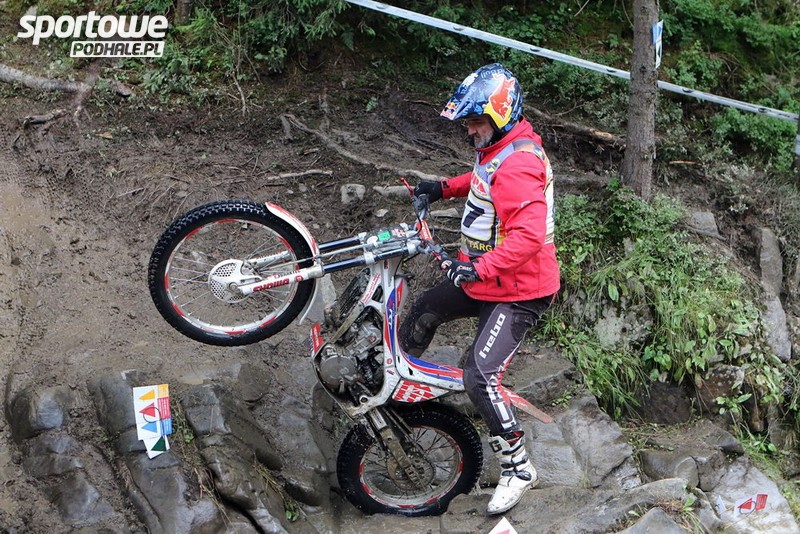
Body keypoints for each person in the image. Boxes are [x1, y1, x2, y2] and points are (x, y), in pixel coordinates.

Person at [399, 63, 560, 515]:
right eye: (467, 122)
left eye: (475, 121)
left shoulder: (520, 163)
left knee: (479, 374)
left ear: (501, 114)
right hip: (490, 278)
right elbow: (486, 180)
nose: (469, 130)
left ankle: (519, 468)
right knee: (425, 311)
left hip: (519, 290)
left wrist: (479, 268)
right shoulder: (500, 147)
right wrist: (443, 188)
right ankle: (397, 401)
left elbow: (528, 237)